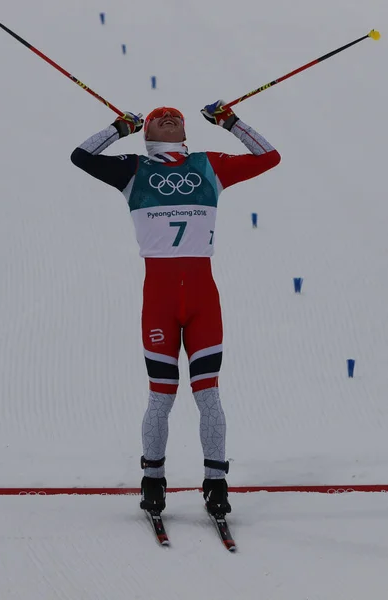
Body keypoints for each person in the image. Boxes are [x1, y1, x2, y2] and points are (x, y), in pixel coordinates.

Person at [70, 100, 281, 516]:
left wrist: (230, 122)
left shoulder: (210, 166)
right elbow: (81, 156)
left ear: (186, 132)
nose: (170, 116)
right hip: (160, 301)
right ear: (147, 134)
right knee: (161, 398)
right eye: (158, 117)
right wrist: (120, 126)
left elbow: (268, 156)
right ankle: (153, 480)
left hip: (204, 298)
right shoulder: (133, 170)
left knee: (209, 396)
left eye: (176, 117)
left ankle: (216, 484)